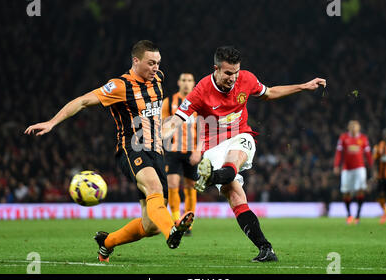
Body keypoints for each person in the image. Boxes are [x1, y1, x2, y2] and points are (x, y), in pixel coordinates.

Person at [24, 40, 194, 262]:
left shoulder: (158, 79)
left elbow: (155, 119)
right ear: (136, 60)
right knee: (153, 187)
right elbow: (84, 101)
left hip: (157, 152)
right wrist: (52, 122)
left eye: (158, 63)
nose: (156, 68)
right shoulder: (120, 86)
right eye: (151, 63)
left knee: (150, 225)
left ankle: (107, 243)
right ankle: (172, 230)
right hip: (132, 149)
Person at [163, 46, 326, 262]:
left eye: (236, 72)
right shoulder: (201, 90)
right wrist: (157, 137)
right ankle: (266, 249)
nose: (233, 78)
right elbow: (176, 120)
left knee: (232, 163)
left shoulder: (246, 79)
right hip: (212, 148)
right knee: (236, 197)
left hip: (241, 136)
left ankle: (211, 177)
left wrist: (303, 87)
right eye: (228, 73)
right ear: (216, 69)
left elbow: (269, 93)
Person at [162, 73, 201, 235]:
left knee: (190, 186)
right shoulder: (169, 102)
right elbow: (163, 126)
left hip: (192, 151)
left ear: (193, 83)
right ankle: (176, 220)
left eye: (189, 80)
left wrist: (199, 150)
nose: (186, 83)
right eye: (183, 80)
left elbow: (204, 130)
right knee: (172, 184)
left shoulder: (199, 103)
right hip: (173, 151)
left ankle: (188, 223)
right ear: (179, 82)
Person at [333, 120, 373, 225]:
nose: (353, 128)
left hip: (360, 168)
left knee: (360, 190)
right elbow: (338, 152)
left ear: (359, 128)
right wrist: (336, 165)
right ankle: (349, 215)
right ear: (348, 127)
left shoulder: (363, 138)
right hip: (347, 169)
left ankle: (358, 216)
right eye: (351, 126)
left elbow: (368, 154)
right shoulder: (343, 138)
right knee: (346, 192)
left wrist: (372, 165)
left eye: (355, 126)